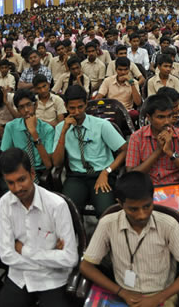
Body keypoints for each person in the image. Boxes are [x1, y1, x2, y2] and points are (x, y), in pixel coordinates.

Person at [79, 171, 179, 307]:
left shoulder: (168, 224)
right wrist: (121, 292)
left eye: (147, 206)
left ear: (153, 199)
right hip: (123, 293)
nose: (142, 215)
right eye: (133, 209)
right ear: (120, 204)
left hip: (161, 294)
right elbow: (86, 266)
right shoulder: (108, 223)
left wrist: (158, 298)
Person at [0, 148, 78, 307]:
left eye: (21, 180)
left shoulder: (57, 205)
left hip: (52, 279)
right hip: (20, 276)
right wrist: (52, 258)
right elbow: (6, 255)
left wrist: (25, 251)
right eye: (10, 183)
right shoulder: (5, 203)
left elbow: (70, 258)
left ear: (32, 174)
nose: (17, 188)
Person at [125, 95, 179, 250]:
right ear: (149, 117)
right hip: (148, 190)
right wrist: (157, 152)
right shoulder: (137, 138)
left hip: (178, 189)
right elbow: (132, 176)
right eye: (160, 117)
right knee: (147, 234)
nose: (167, 122)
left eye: (169, 116)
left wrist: (170, 153)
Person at [52, 85, 127, 214]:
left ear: (86, 104)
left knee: (106, 212)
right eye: (72, 108)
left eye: (80, 107)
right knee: (66, 211)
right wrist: (63, 132)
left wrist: (106, 172)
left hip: (102, 173)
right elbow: (57, 163)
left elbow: (124, 150)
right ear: (65, 106)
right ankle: (78, 234)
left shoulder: (101, 125)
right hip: (77, 176)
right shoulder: (60, 128)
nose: (76, 112)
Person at [1, 89, 54, 184]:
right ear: (18, 110)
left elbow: (48, 165)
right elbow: (6, 157)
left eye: (29, 105)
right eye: (21, 107)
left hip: (40, 172)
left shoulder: (47, 129)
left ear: (36, 105)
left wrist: (34, 133)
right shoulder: (11, 127)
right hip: (17, 170)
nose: (26, 110)